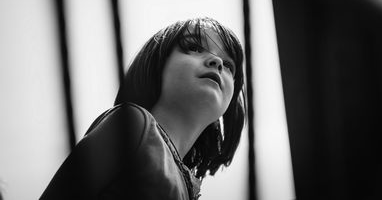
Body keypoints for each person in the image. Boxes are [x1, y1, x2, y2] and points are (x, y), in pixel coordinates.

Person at [40, 17, 246, 200]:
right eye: (193, 47)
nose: (217, 62)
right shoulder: (131, 123)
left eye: (229, 65)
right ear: (157, 62)